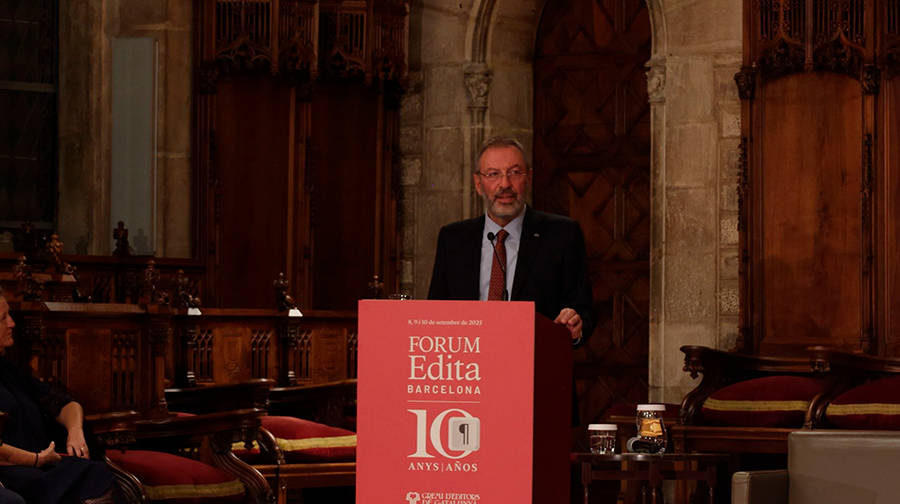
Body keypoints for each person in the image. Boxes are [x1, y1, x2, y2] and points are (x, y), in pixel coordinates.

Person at [427, 136, 597, 422]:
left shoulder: (562, 234)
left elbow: (584, 309)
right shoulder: (453, 239)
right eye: (493, 174)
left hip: (537, 390)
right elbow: (435, 313)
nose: (504, 185)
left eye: (514, 173)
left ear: (528, 178)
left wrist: (576, 325)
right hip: (465, 389)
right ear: (479, 183)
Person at [0, 287, 121, 504]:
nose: (12, 323)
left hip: (42, 463)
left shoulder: (9, 370)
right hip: (13, 471)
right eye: (3, 319)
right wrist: (37, 459)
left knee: (96, 473)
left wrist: (75, 431)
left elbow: (65, 404)